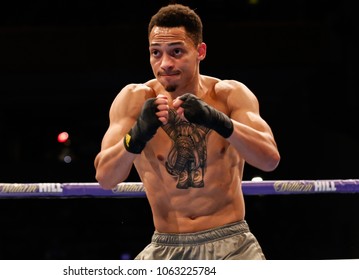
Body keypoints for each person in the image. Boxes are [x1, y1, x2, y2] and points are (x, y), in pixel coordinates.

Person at [94, 3, 280, 260]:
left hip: (233, 244)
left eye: (177, 51)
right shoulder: (134, 99)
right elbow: (105, 177)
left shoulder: (229, 95)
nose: (165, 63)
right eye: (156, 53)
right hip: (165, 245)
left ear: (200, 51)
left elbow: (269, 159)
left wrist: (219, 121)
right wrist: (135, 137)